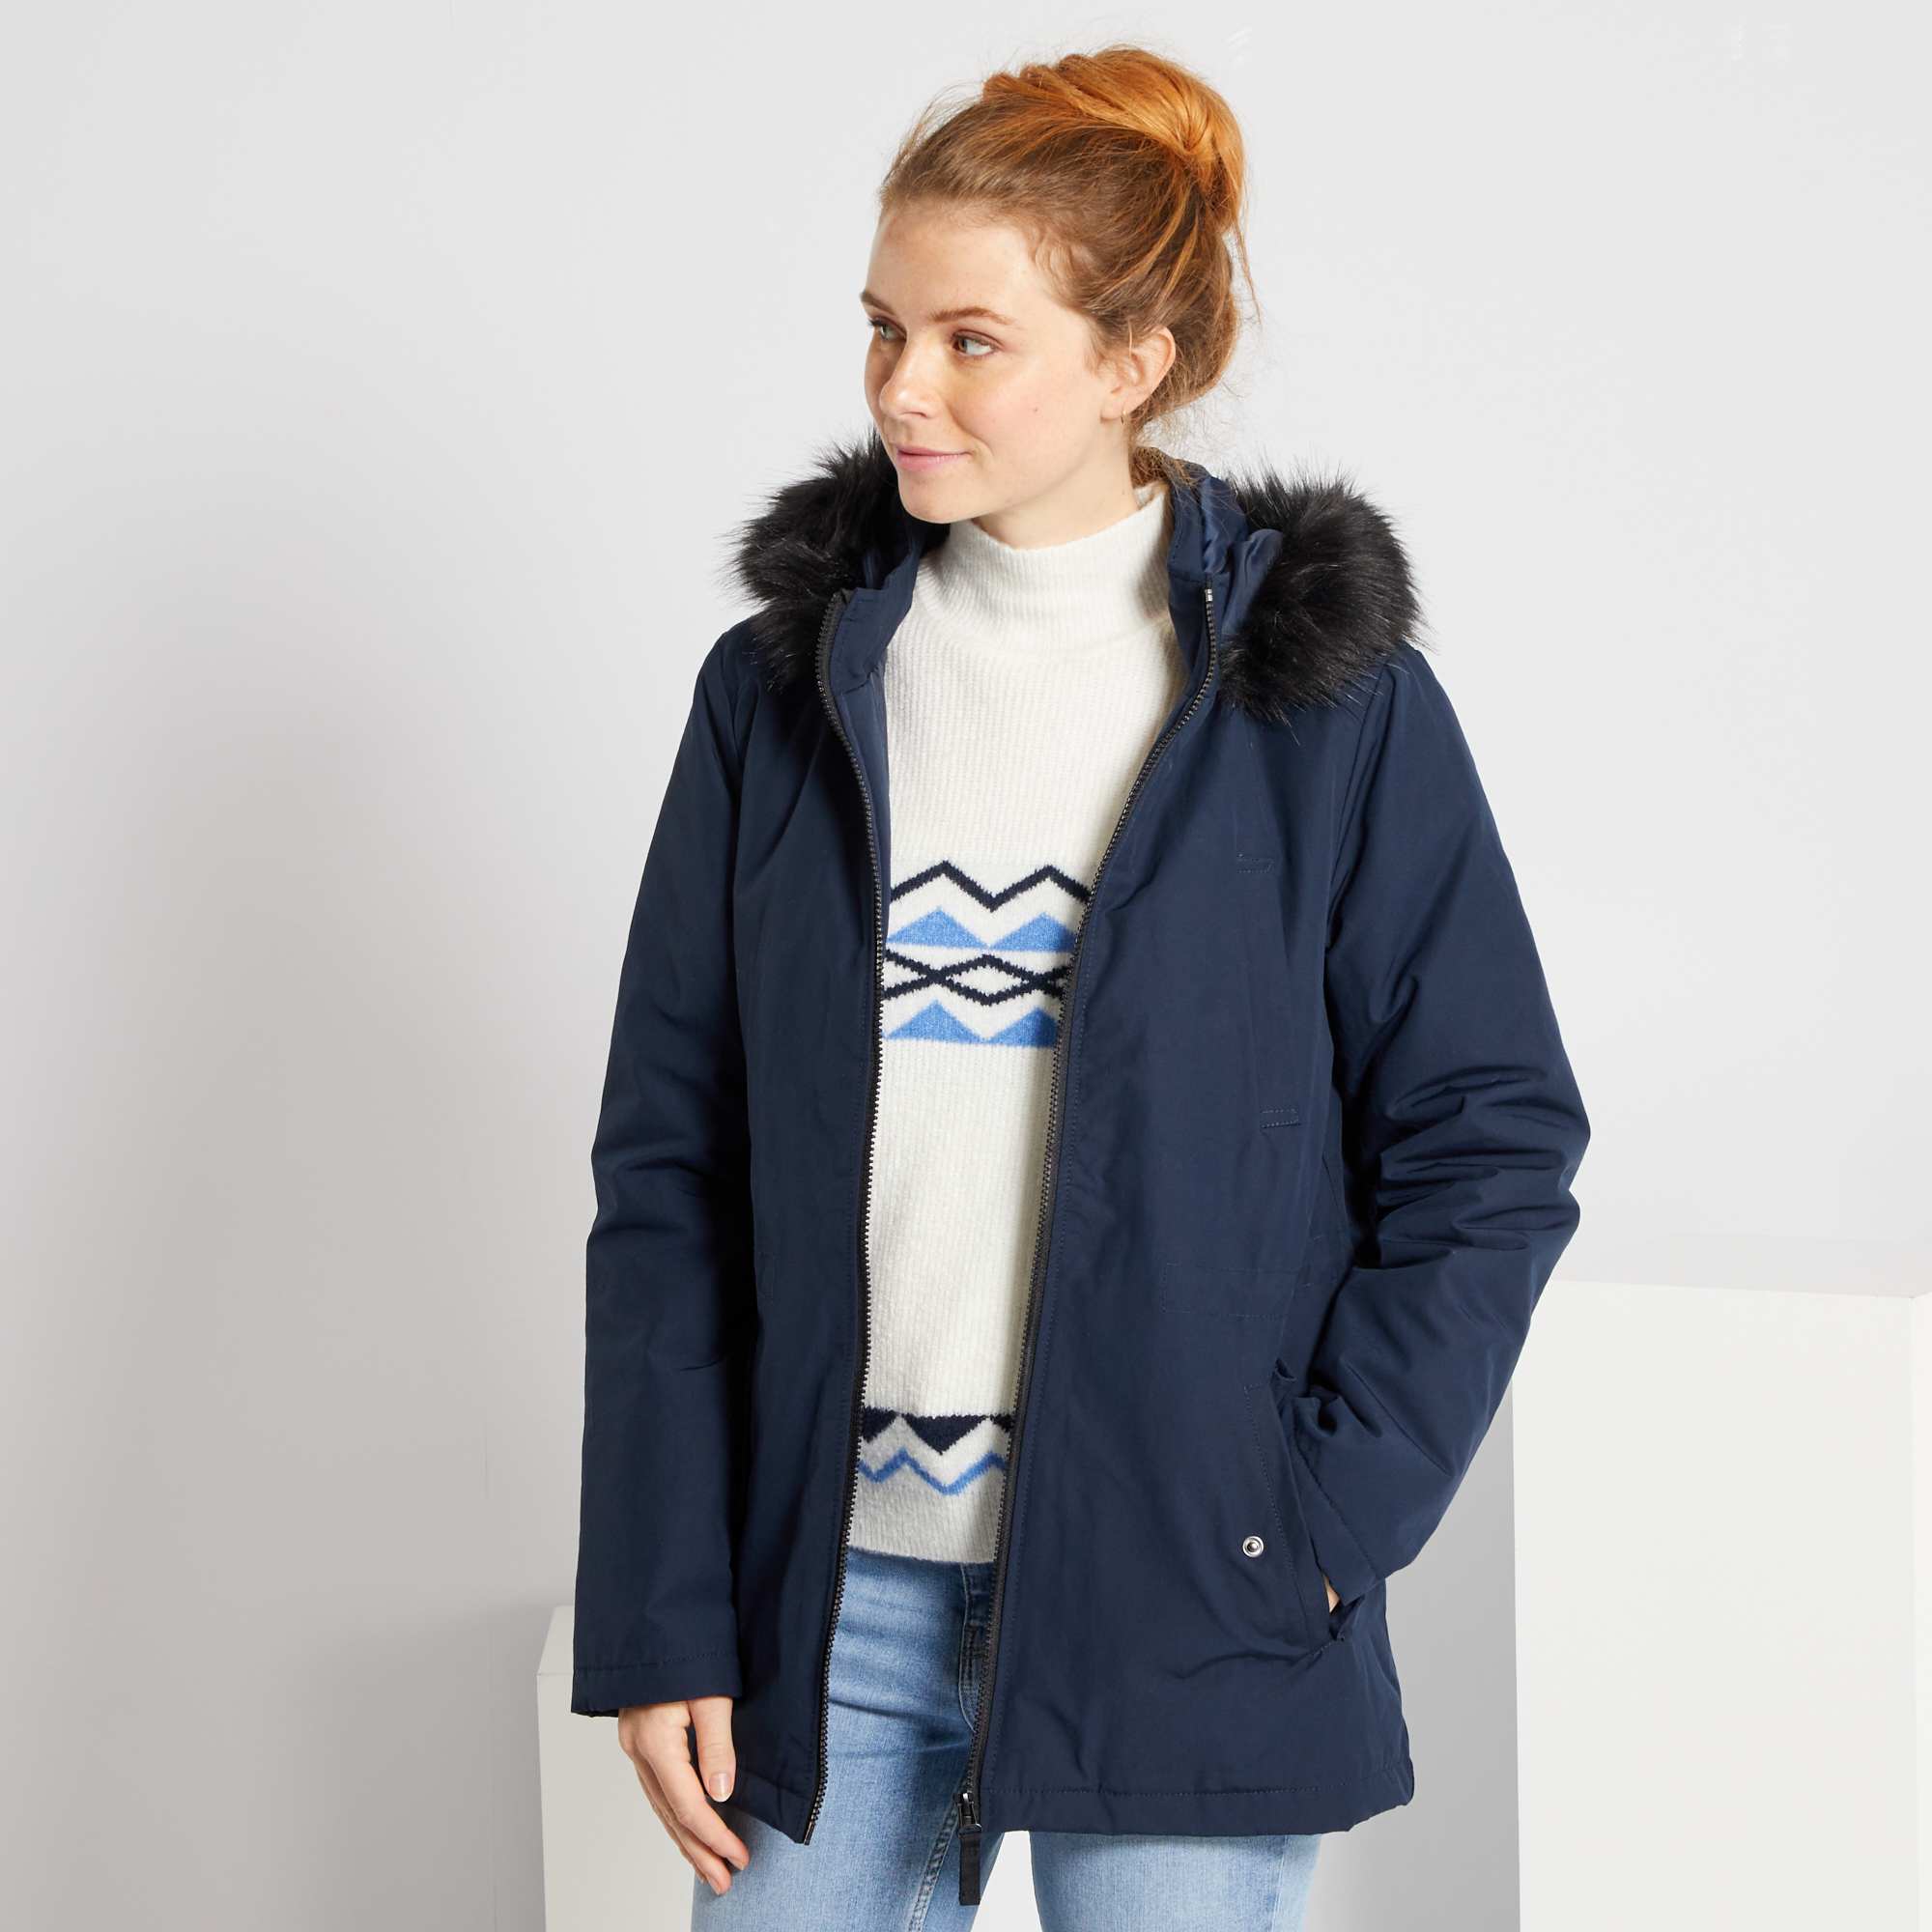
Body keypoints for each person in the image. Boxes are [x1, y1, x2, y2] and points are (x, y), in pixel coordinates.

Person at [569, 42, 1589, 1932]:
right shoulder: (780, 693)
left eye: (972, 340)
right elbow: (671, 1176)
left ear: (1134, 362)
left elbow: (1491, 1141)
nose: (902, 386)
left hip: (1190, 1591)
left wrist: (1318, 1522)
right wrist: (663, 1608)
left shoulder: (1321, 705)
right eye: (883, 329)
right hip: (827, 1608)